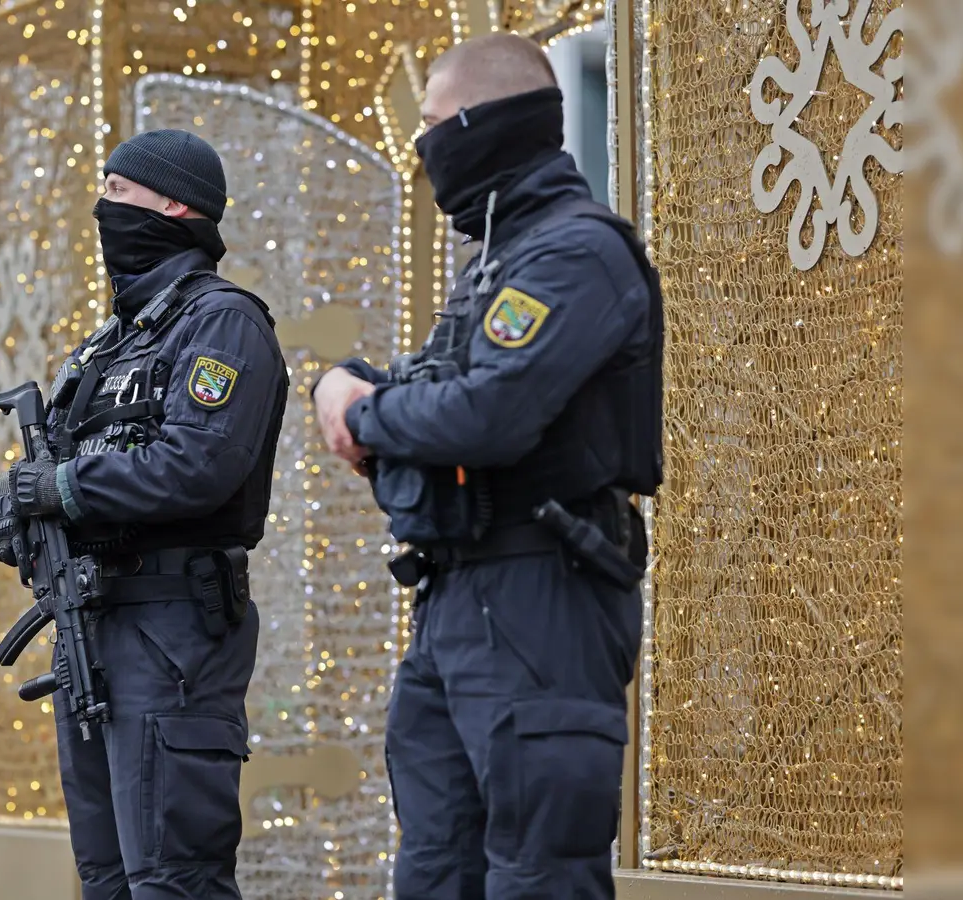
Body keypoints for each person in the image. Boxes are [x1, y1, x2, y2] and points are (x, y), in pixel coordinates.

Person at [312, 33, 665, 899]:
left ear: (481, 124)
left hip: (542, 593)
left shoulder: (575, 253)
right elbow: (431, 386)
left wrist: (360, 411)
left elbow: (486, 415)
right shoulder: (498, 263)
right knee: (435, 870)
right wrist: (350, 383)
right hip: (459, 593)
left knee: (538, 874)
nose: (425, 151)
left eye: (432, 126)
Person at [0, 128, 288, 899]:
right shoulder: (107, 347)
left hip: (173, 632)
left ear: (175, 203)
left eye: (119, 190)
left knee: (173, 879)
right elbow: (48, 463)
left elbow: (198, 464)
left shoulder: (224, 323)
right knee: (108, 878)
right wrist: (16, 512)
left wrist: (64, 493)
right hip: (94, 622)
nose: (102, 206)